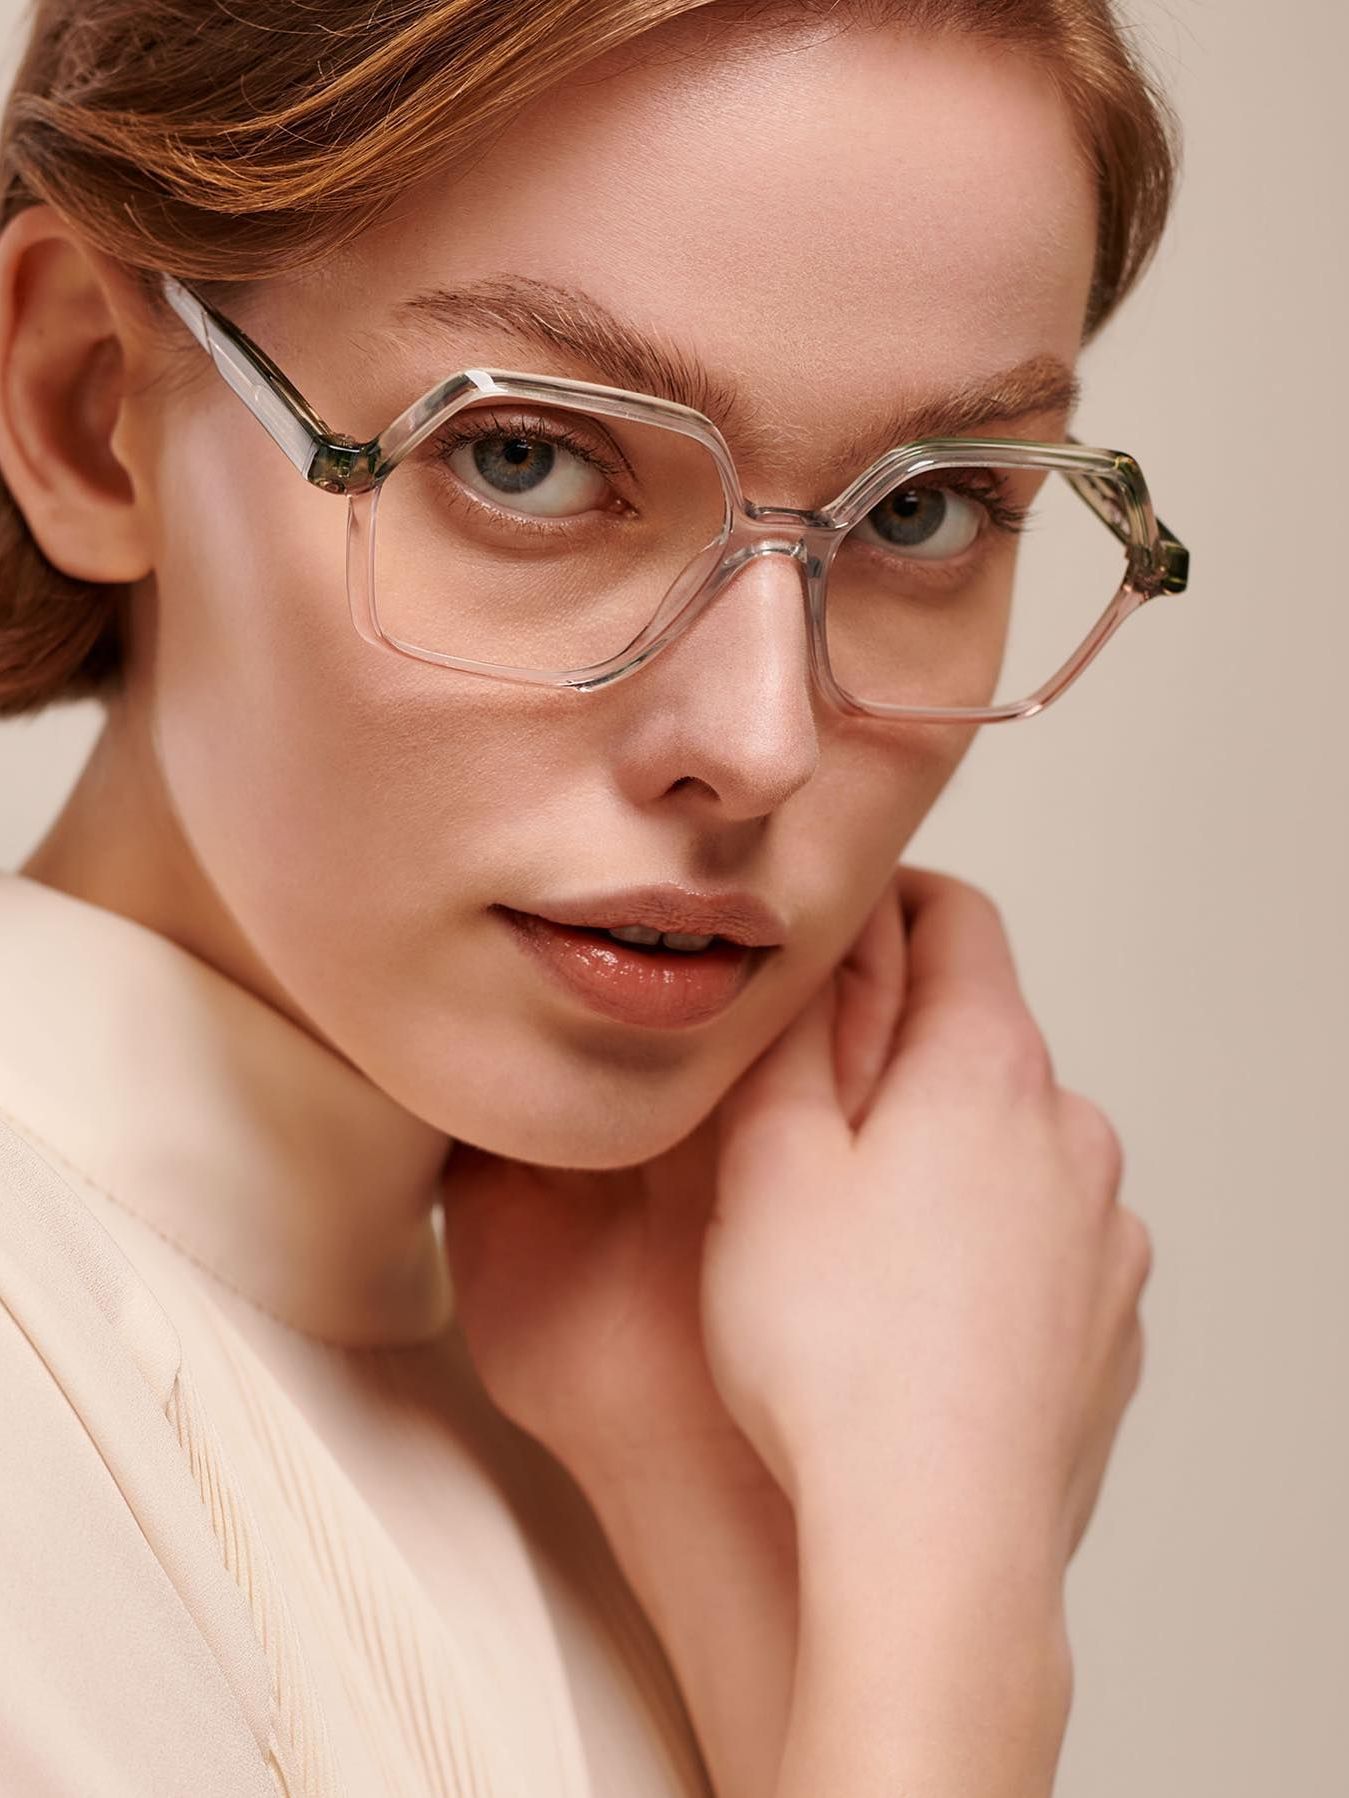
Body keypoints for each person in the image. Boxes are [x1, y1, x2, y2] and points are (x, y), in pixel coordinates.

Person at [0, 1, 1182, 1793]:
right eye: (526, 457)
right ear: (92, 408)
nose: (764, 736)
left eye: (930, 508)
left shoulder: (652, 1404)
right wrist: (950, 1591)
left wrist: (724, 1524)